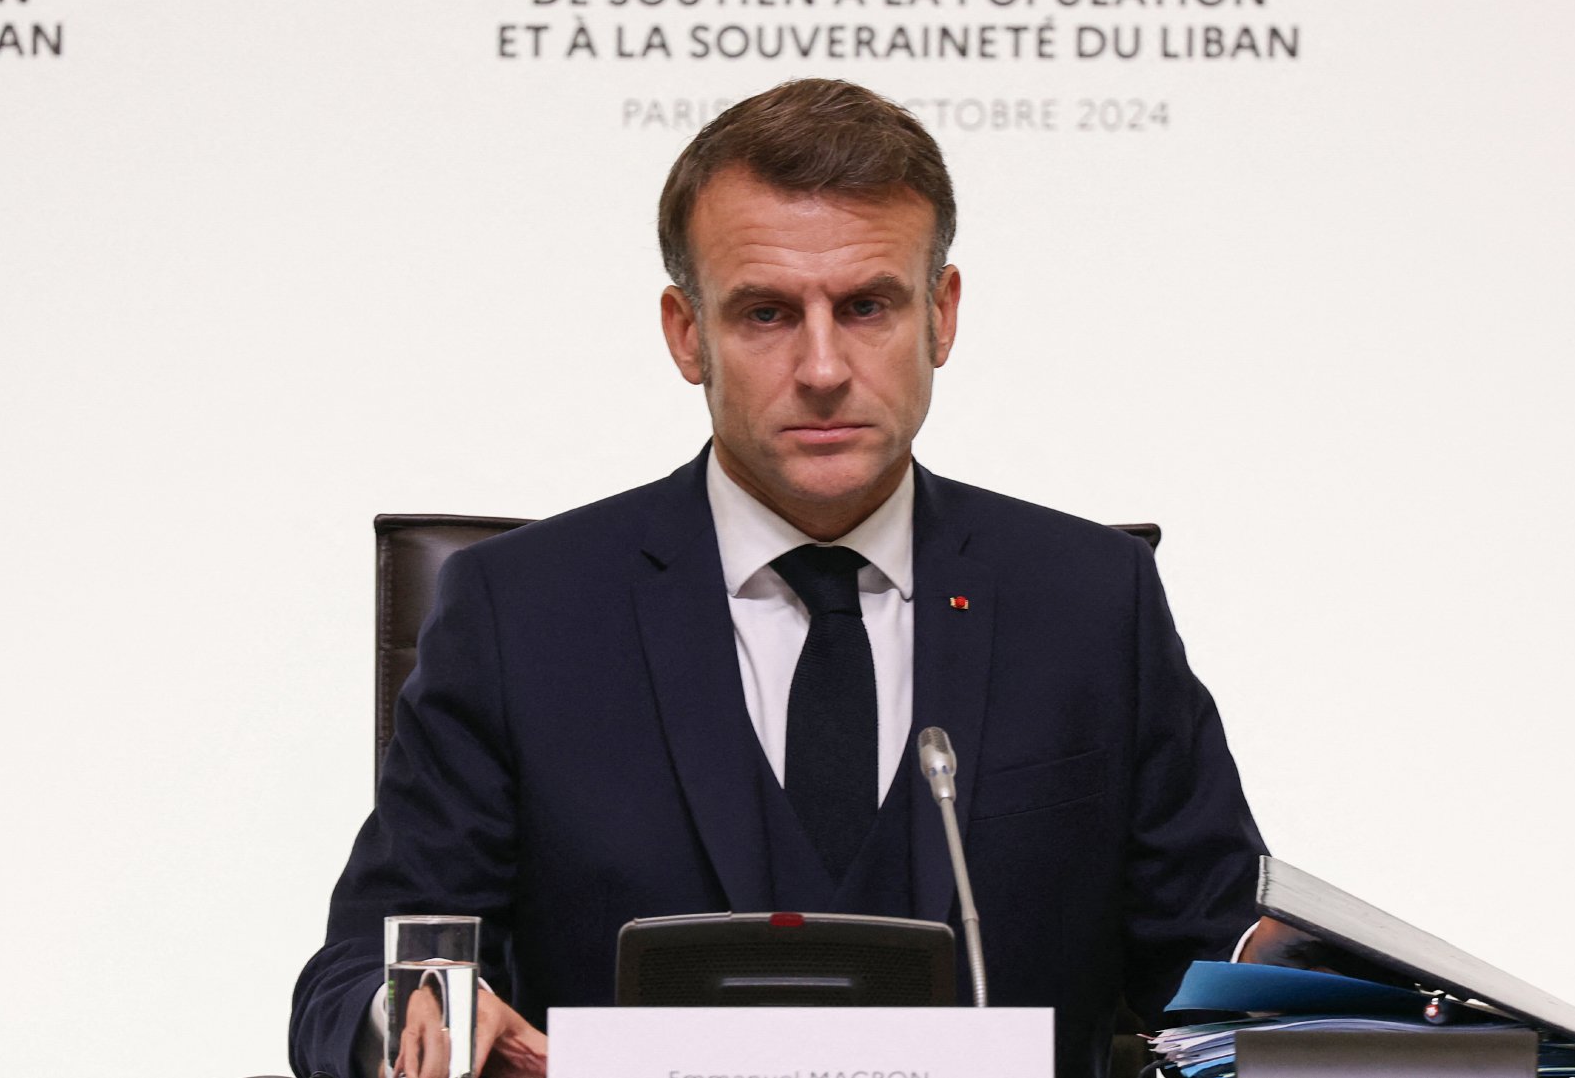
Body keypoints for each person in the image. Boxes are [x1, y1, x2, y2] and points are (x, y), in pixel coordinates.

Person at [289, 79, 1270, 1078]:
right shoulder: (520, 615)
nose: (821, 366)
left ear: (940, 314)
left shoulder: (1088, 601)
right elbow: (356, 977)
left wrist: (1362, 1007)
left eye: (865, 306)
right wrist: (423, 1026)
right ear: (686, 332)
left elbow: (1215, 960)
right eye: (764, 312)